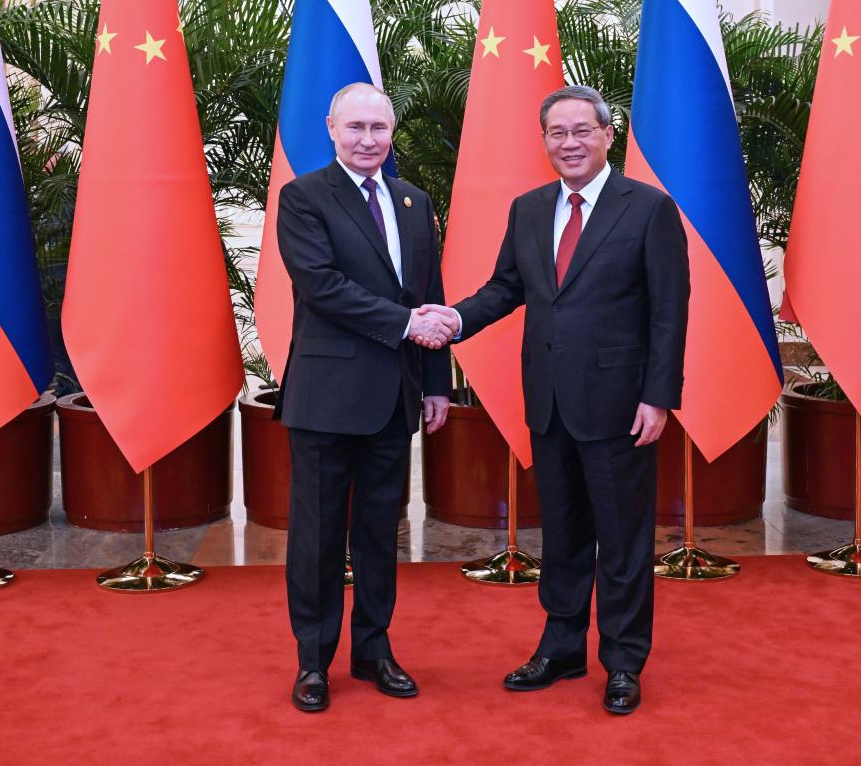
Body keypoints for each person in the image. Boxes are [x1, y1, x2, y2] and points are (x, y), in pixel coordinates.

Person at [418, 85, 689, 715]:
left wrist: (658, 397)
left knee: (621, 538)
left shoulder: (648, 209)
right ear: (544, 141)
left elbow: (670, 314)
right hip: (548, 402)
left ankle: (623, 660)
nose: (569, 144)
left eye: (581, 131)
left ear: (607, 134)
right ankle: (562, 645)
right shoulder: (530, 209)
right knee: (563, 533)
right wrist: (453, 319)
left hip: (622, 405)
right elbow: (505, 287)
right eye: (557, 133)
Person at [275, 82, 454, 712]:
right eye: (356, 128)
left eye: (379, 128)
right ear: (331, 127)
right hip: (326, 398)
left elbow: (429, 293)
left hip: (394, 399)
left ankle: (375, 650)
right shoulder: (302, 198)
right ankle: (313, 663)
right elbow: (321, 287)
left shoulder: (413, 200)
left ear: (392, 129)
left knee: (381, 533)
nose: (368, 140)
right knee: (318, 536)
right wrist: (407, 326)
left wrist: (437, 383)